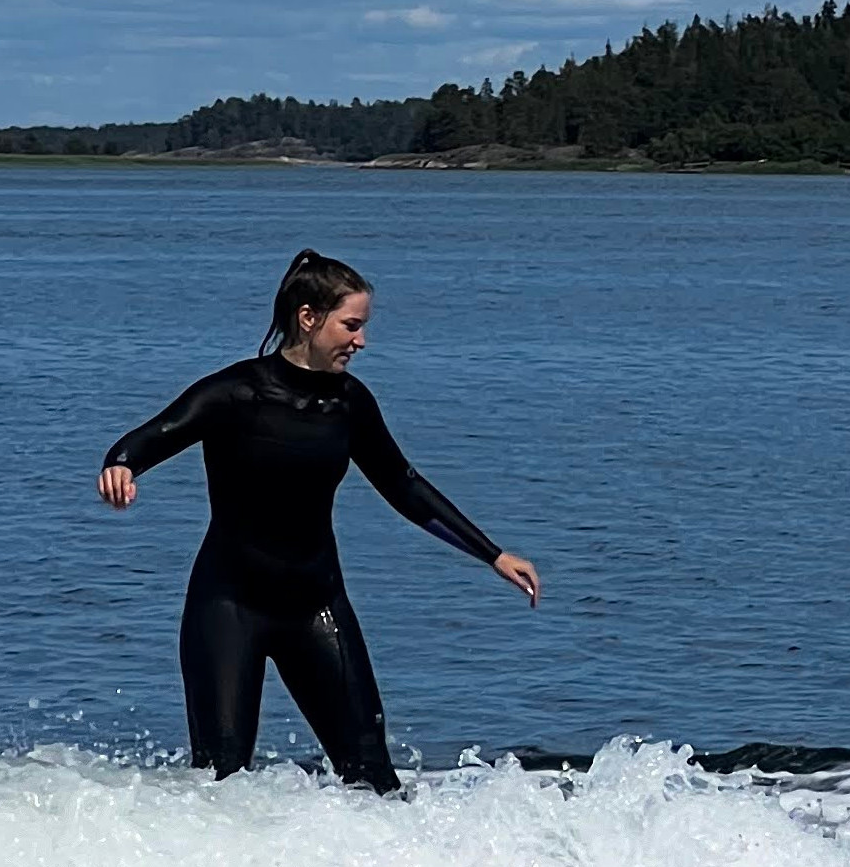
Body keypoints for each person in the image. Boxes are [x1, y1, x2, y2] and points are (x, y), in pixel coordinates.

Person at [98, 250, 540, 791]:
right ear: (309, 318)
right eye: (351, 325)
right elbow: (152, 435)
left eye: (362, 327)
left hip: (316, 605)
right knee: (220, 781)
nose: (361, 341)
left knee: (374, 780)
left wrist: (492, 554)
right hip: (228, 606)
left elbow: (404, 486)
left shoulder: (350, 404)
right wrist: (121, 466)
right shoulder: (237, 392)